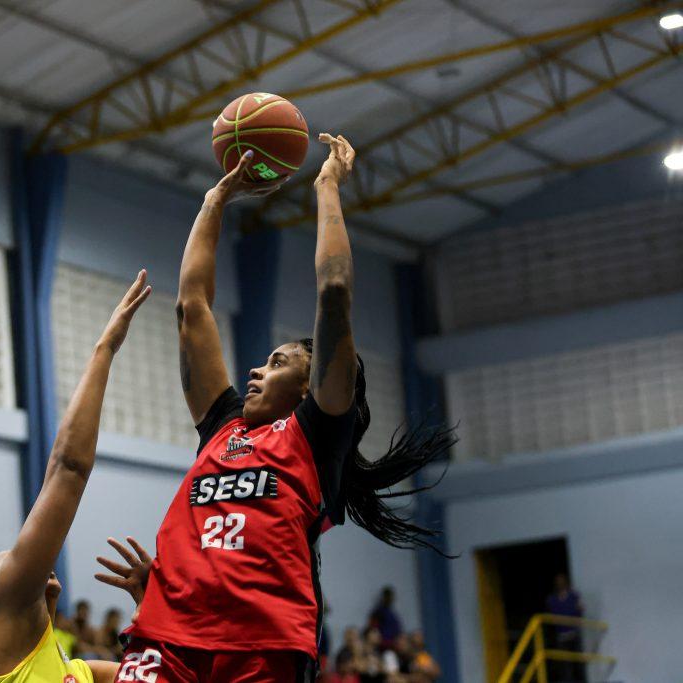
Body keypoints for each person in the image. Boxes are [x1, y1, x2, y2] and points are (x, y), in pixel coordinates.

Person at [111, 137, 456, 682]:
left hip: (265, 643)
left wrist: (326, 187)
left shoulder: (315, 438)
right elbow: (191, 306)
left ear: (307, 386)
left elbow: (335, 290)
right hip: (170, 632)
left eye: (275, 362)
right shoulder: (220, 427)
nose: (255, 370)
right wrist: (215, 201)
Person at [0, 271, 151, 683]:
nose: (25, 557)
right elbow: (68, 470)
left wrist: (148, 609)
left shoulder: (77, 672)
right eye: (10, 560)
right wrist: (105, 349)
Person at [545, 573, 585, 683]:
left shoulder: (573, 596)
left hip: (573, 633)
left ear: (566, 582)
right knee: (565, 664)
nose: (560, 583)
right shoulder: (552, 599)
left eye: (562, 581)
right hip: (561, 635)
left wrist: (577, 611)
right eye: (558, 581)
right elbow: (552, 614)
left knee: (578, 661)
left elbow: (580, 610)